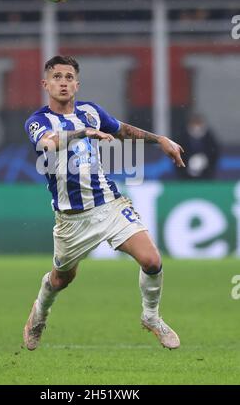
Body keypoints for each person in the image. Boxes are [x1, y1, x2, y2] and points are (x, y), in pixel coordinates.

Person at [23, 55, 185, 351]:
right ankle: (39, 314)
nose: (63, 82)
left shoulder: (91, 112)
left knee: (152, 260)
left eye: (69, 77)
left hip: (108, 204)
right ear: (46, 84)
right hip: (71, 218)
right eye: (57, 77)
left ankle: (151, 317)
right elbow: (47, 143)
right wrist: (82, 133)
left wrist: (160, 139)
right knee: (61, 279)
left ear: (77, 84)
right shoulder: (38, 121)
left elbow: (122, 130)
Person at [177, 113, 219, 180]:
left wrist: (205, 160)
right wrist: (188, 164)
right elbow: (177, 154)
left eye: (199, 123)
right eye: (194, 123)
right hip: (185, 176)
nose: (197, 127)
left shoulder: (209, 137)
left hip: (206, 175)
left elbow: (214, 153)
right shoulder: (182, 137)